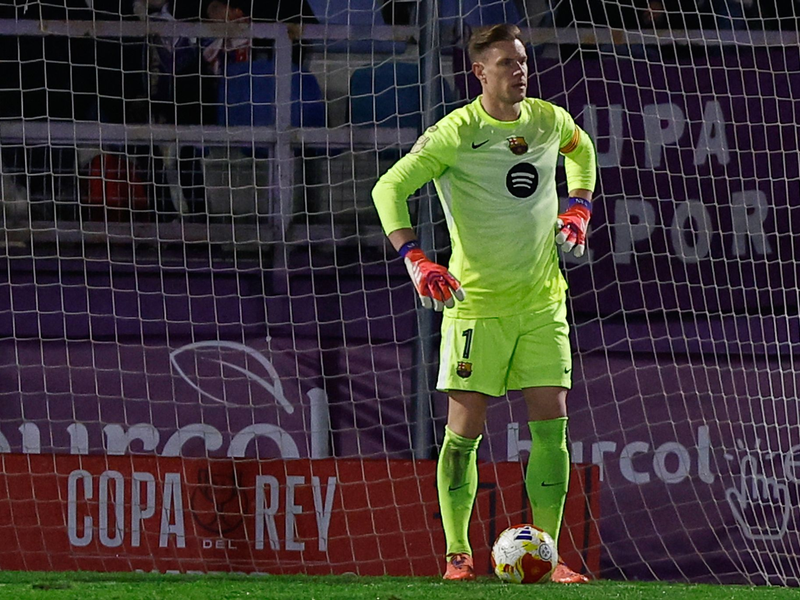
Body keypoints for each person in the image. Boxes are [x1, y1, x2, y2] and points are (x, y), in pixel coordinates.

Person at [371, 23, 596, 583]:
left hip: (542, 302)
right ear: (479, 72)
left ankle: (547, 553)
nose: (518, 71)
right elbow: (388, 189)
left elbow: (583, 149)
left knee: (552, 427)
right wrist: (417, 259)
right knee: (463, 433)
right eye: (505, 64)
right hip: (476, 306)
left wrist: (579, 207)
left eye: (521, 61)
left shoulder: (546, 119)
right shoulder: (455, 133)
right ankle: (456, 554)